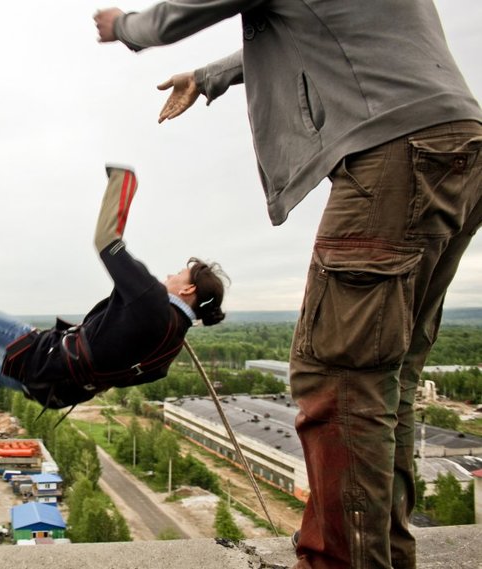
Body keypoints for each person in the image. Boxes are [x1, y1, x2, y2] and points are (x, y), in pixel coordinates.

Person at [94, 3, 481, 568]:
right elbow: (312, 29)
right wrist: (207, 76)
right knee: (387, 377)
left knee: (338, 379)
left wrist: (123, 27)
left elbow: (181, 15)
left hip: (393, 151)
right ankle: (389, 556)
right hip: (457, 146)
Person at [0, 165, 227, 411]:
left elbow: (107, 241)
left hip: (44, 358)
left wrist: (122, 183)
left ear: (187, 292)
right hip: (55, 390)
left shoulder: (152, 301)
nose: (169, 275)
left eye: (179, 274)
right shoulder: (168, 352)